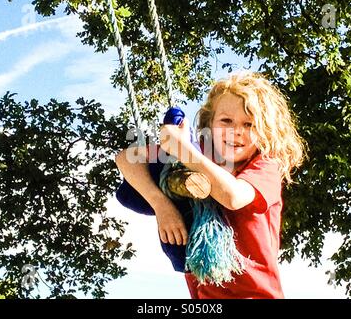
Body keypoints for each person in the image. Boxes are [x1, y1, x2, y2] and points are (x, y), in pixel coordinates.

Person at [115, 71, 306, 299]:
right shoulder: (200, 154)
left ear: (265, 132)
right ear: (209, 123)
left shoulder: (265, 164)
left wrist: (182, 149)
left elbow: (233, 197)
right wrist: (161, 205)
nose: (236, 131)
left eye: (249, 124)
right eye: (226, 120)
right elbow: (127, 158)